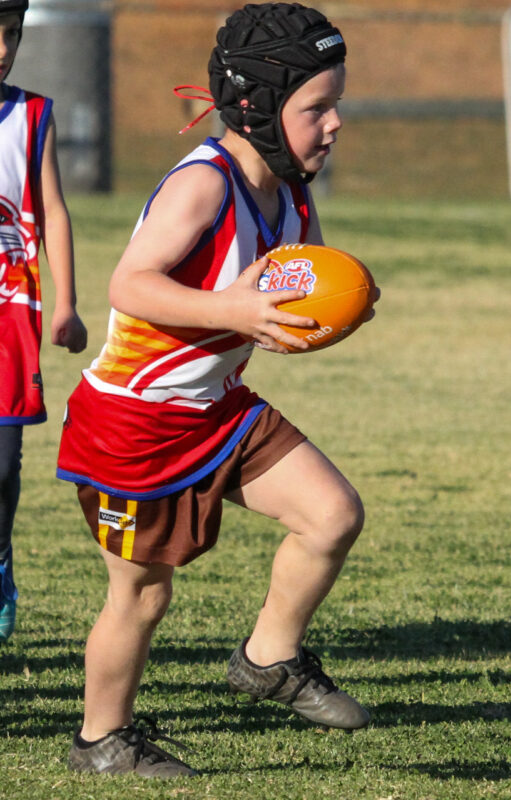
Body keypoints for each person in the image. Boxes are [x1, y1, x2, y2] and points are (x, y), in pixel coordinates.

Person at [55, 2, 373, 777]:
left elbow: (303, 282)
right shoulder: (203, 185)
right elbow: (130, 285)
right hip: (134, 423)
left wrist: (335, 309)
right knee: (142, 596)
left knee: (332, 515)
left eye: (336, 105)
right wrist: (233, 310)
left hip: (216, 408)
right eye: (317, 108)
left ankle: (269, 658)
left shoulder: (292, 188)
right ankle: (102, 742)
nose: (334, 124)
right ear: (258, 106)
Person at [0, 0, 88, 644]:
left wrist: (66, 302)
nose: (2, 50)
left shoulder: (32, 116)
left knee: (2, 466)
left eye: (10, 35)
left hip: (9, 316)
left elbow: (52, 210)